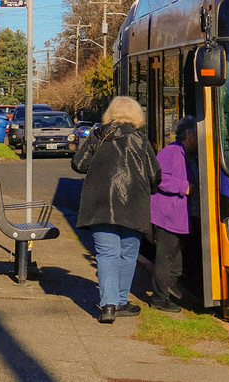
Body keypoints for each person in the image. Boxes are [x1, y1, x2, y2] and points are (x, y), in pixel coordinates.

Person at [72, 96, 161, 324]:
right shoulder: (140, 140)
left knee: (106, 254)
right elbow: (154, 175)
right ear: (136, 115)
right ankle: (121, 301)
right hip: (134, 204)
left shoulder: (97, 136)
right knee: (128, 254)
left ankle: (109, 305)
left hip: (100, 204)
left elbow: (78, 164)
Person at [149, 116, 197, 313]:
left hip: (177, 217)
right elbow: (158, 178)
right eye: (198, 134)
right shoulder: (171, 152)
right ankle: (159, 298)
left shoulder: (187, 154)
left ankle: (168, 291)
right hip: (167, 216)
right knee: (166, 259)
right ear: (188, 134)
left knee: (175, 261)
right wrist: (184, 187)